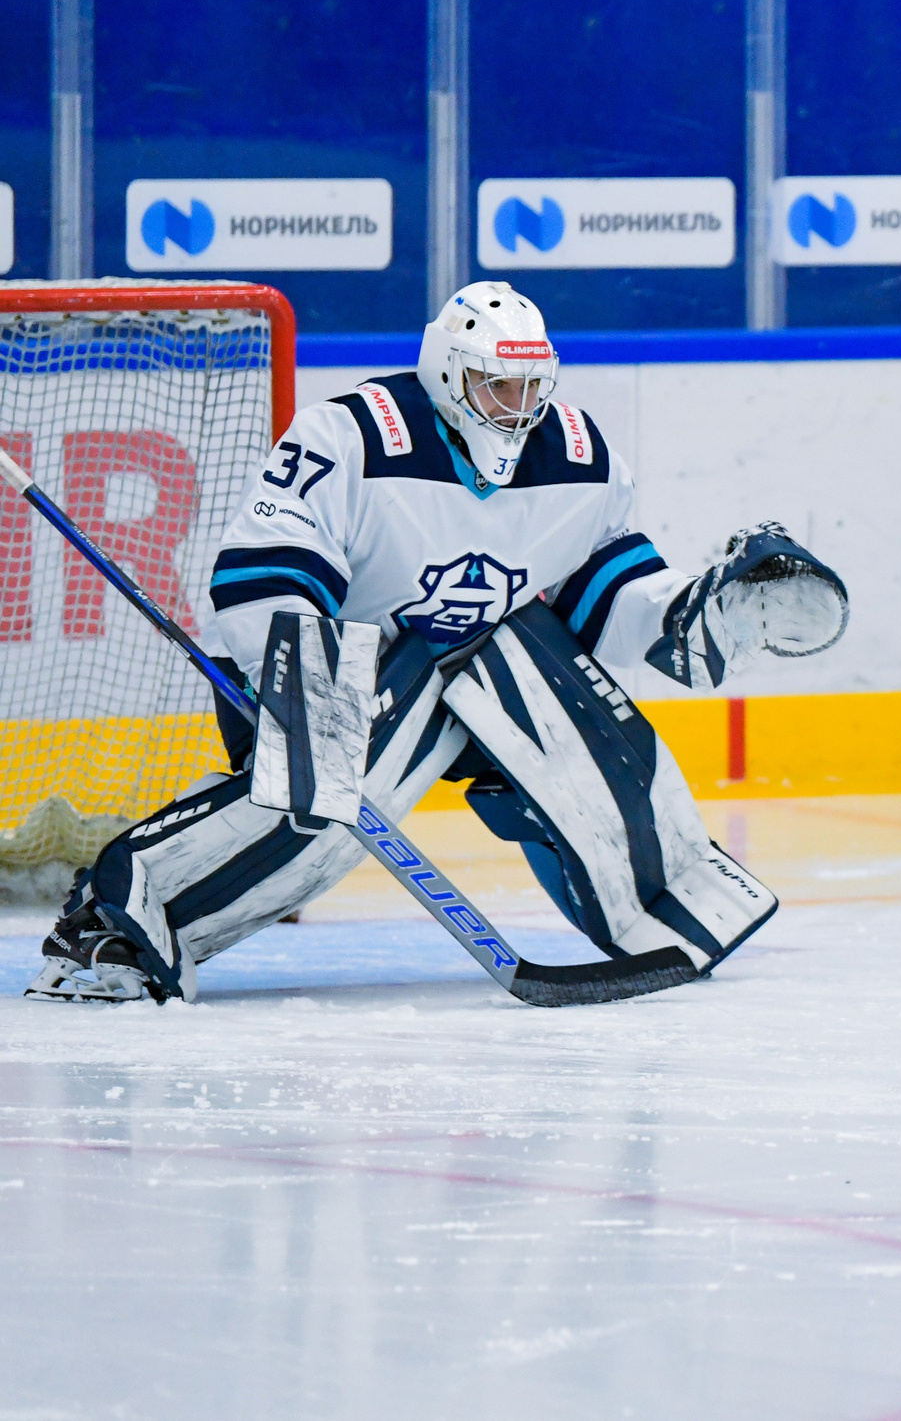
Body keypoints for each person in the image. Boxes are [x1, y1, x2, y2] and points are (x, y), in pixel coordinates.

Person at [27, 281, 848, 1005]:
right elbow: (264, 570)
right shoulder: (351, 436)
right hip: (329, 678)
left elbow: (606, 595)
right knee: (318, 820)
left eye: (532, 386)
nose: (519, 406)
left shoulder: (579, 458)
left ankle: (666, 902)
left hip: (476, 685)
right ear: (451, 377)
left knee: (555, 693)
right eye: (498, 386)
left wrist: (687, 612)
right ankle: (116, 918)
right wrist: (309, 681)